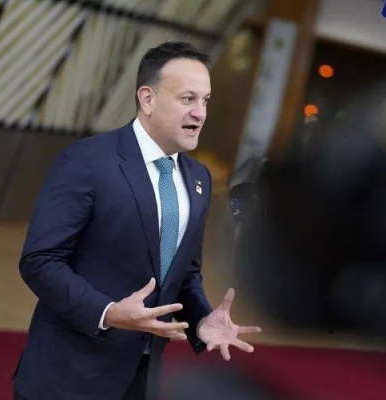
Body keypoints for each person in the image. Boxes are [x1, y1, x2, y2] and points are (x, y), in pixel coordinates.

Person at [13, 41, 261, 400]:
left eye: (205, 100)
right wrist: (108, 312)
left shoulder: (199, 179)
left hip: (142, 381)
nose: (200, 113)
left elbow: (185, 272)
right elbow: (39, 261)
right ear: (147, 99)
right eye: (187, 99)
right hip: (66, 378)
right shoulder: (86, 161)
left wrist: (203, 319)